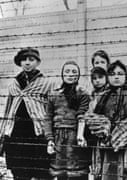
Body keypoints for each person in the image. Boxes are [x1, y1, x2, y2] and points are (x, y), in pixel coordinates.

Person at [84, 60, 127, 180]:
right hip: (104, 147)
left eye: (120, 73)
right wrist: (104, 126)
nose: (116, 77)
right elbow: (89, 116)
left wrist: (121, 132)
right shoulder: (100, 97)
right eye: (112, 74)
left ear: (126, 76)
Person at [1, 48, 55, 180]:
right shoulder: (14, 85)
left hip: (37, 134)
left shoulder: (46, 83)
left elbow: (51, 109)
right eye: (24, 60)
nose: (27, 63)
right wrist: (3, 133)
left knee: (42, 172)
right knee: (19, 173)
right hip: (17, 135)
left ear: (37, 62)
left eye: (31, 59)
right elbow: (8, 110)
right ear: (20, 63)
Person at [44, 61, 91, 180]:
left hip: (74, 136)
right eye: (67, 71)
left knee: (77, 172)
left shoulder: (82, 93)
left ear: (78, 75)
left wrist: (80, 135)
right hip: (58, 137)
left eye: (74, 72)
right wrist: (50, 139)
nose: (70, 74)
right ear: (62, 74)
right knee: (61, 173)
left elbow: (82, 115)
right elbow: (48, 117)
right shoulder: (54, 94)